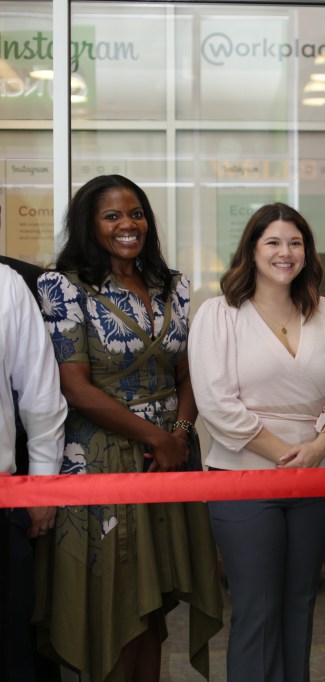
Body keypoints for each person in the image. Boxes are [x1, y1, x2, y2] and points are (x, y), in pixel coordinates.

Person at [34, 174, 223, 681]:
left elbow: (188, 371)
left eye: (135, 213)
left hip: (171, 459)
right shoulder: (62, 285)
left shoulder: (174, 285)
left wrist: (179, 433)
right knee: (116, 600)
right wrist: (156, 438)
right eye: (112, 215)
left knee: (154, 600)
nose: (127, 224)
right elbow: (74, 385)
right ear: (89, 225)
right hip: (103, 463)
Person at [190, 203, 325, 682]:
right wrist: (288, 454)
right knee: (258, 609)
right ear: (252, 250)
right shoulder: (219, 314)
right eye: (274, 242)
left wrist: (319, 448)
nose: (286, 252)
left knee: (301, 605)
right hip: (243, 476)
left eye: (296, 242)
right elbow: (216, 405)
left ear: (308, 252)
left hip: (316, 477)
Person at [0, 258, 67, 682]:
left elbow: (40, 392)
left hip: (2, 500)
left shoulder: (5, 285)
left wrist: (42, 487)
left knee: (10, 651)